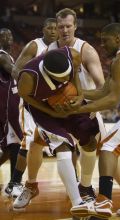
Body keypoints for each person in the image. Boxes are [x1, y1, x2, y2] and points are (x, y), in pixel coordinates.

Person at [48, 8, 120, 201]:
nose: (65, 30)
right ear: (56, 28)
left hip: (86, 107)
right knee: (47, 146)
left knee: (105, 148)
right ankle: (30, 183)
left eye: (68, 26)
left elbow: (102, 85)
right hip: (59, 110)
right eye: (61, 27)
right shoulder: (49, 51)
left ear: (75, 26)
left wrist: (95, 107)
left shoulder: (86, 50)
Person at [67, 23, 120, 219]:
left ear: (118, 38)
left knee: (108, 146)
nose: (102, 45)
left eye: (105, 40)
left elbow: (112, 100)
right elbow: (104, 91)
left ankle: (103, 201)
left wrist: (80, 108)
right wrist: (80, 94)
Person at [12, 47, 100, 216]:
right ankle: (78, 203)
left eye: (68, 74)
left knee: (89, 140)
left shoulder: (72, 55)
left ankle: (85, 185)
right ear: (49, 73)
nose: (67, 78)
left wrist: (80, 95)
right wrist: (51, 112)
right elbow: (25, 96)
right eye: (63, 78)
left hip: (67, 101)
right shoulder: (29, 77)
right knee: (63, 146)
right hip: (43, 109)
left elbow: (73, 74)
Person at [5, 18, 58, 197]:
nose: (52, 31)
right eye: (49, 28)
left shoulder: (61, 48)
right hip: (30, 101)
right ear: (43, 29)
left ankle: (76, 180)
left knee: (67, 142)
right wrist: (31, 86)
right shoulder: (34, 46)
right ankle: (14, 183)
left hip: (49, 102)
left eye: (55, 28)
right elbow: (16, 70)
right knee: (28, 141)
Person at [0, 28, 22, 189]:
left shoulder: (7, 56)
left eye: (10, 35)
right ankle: (14, 184)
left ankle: (14, 182)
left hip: (11, 104)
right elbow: (15, 72)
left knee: (9, 147)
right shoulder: (2, 56)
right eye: (3, 36)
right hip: (6, 107)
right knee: (15, 143)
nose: (8, 37)